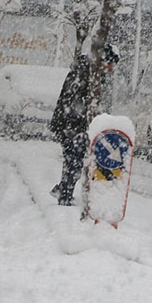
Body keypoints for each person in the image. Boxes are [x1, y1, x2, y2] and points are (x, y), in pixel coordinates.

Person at [48, 42, 119, 206]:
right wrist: (84, 121)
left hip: (71, 124)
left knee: (73, 160)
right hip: (71, 125)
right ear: (103, 60)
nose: (112, 69)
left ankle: (64, 191)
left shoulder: (89, 71)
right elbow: (73, 101)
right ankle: (64, 195)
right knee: (75, 160)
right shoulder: (85, 72)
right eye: (110, 64)